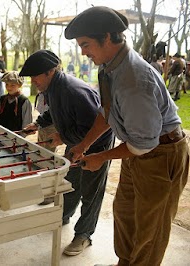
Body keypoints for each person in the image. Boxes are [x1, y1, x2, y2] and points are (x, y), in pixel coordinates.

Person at [65, 6, 189, 265]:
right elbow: (107, 112)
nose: (83, 52)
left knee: (149, 227)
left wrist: (101, 157)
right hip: (138, 150)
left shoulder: (133, 79)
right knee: (125, 213)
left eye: (86, 44)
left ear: (108, 37)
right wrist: (84, 145)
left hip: (161, 153)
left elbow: (144, 144)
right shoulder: (109, 67)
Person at [21, 50, 114, 256]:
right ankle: (62, 215)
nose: (33, 80)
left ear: (50, 72)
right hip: (77, 142)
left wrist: (63, 137)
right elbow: (53, 111)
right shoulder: (52, 88)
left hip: (96, 144)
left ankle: (84, 235)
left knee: (91, 191)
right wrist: (37, 124)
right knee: (70, 183)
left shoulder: (74, 91)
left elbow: (94, 127)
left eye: (36, 75)